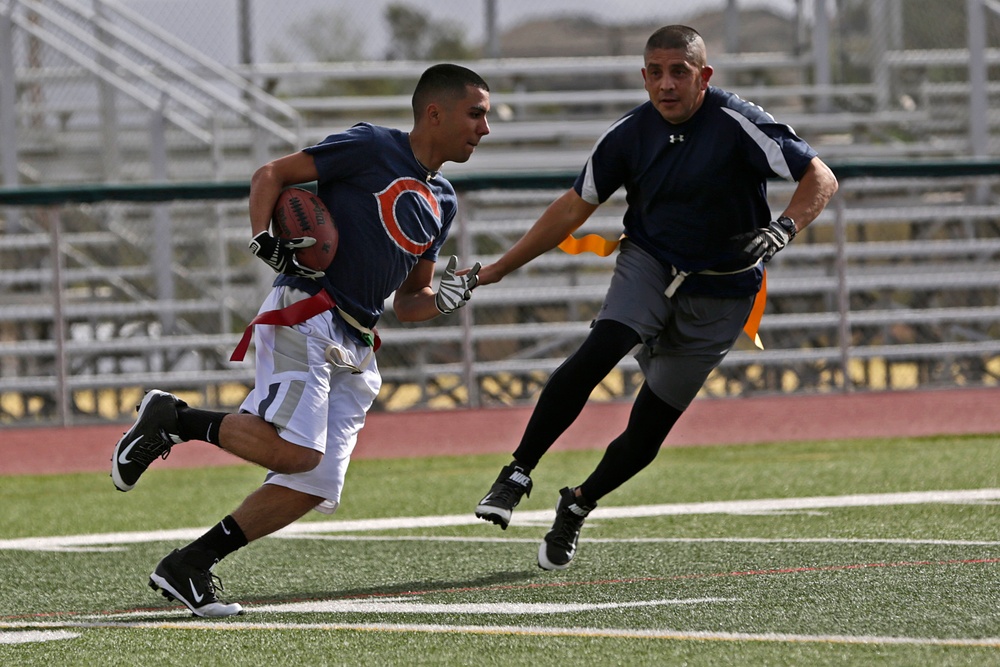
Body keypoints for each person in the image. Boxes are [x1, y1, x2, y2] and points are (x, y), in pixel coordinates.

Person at [111, 64, 490, 617]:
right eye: (476, 113)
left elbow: (410, 301)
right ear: (435, 112)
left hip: (357, 342)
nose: (484, 128)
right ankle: (173, 418)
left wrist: (445, 299)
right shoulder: (371, 146)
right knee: (299, 453)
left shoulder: (445, 200)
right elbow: (271, 174)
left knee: (315, 481)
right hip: (306, 312)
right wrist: (266, 239)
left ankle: (188, 566)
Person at [471, 25, 838, 571]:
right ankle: (517, 472)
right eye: (656, 72)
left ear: (703, 76)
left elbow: (820, 177)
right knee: (600, 349)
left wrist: (784, 227)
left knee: (646, 436)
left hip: (723, 290)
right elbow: (574, 208)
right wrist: (501, 267)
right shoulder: (628, 134)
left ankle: (577, 504)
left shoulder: (738, 121)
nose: (666, 84)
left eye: (679, 72)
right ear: (643, 76)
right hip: (650, 263)